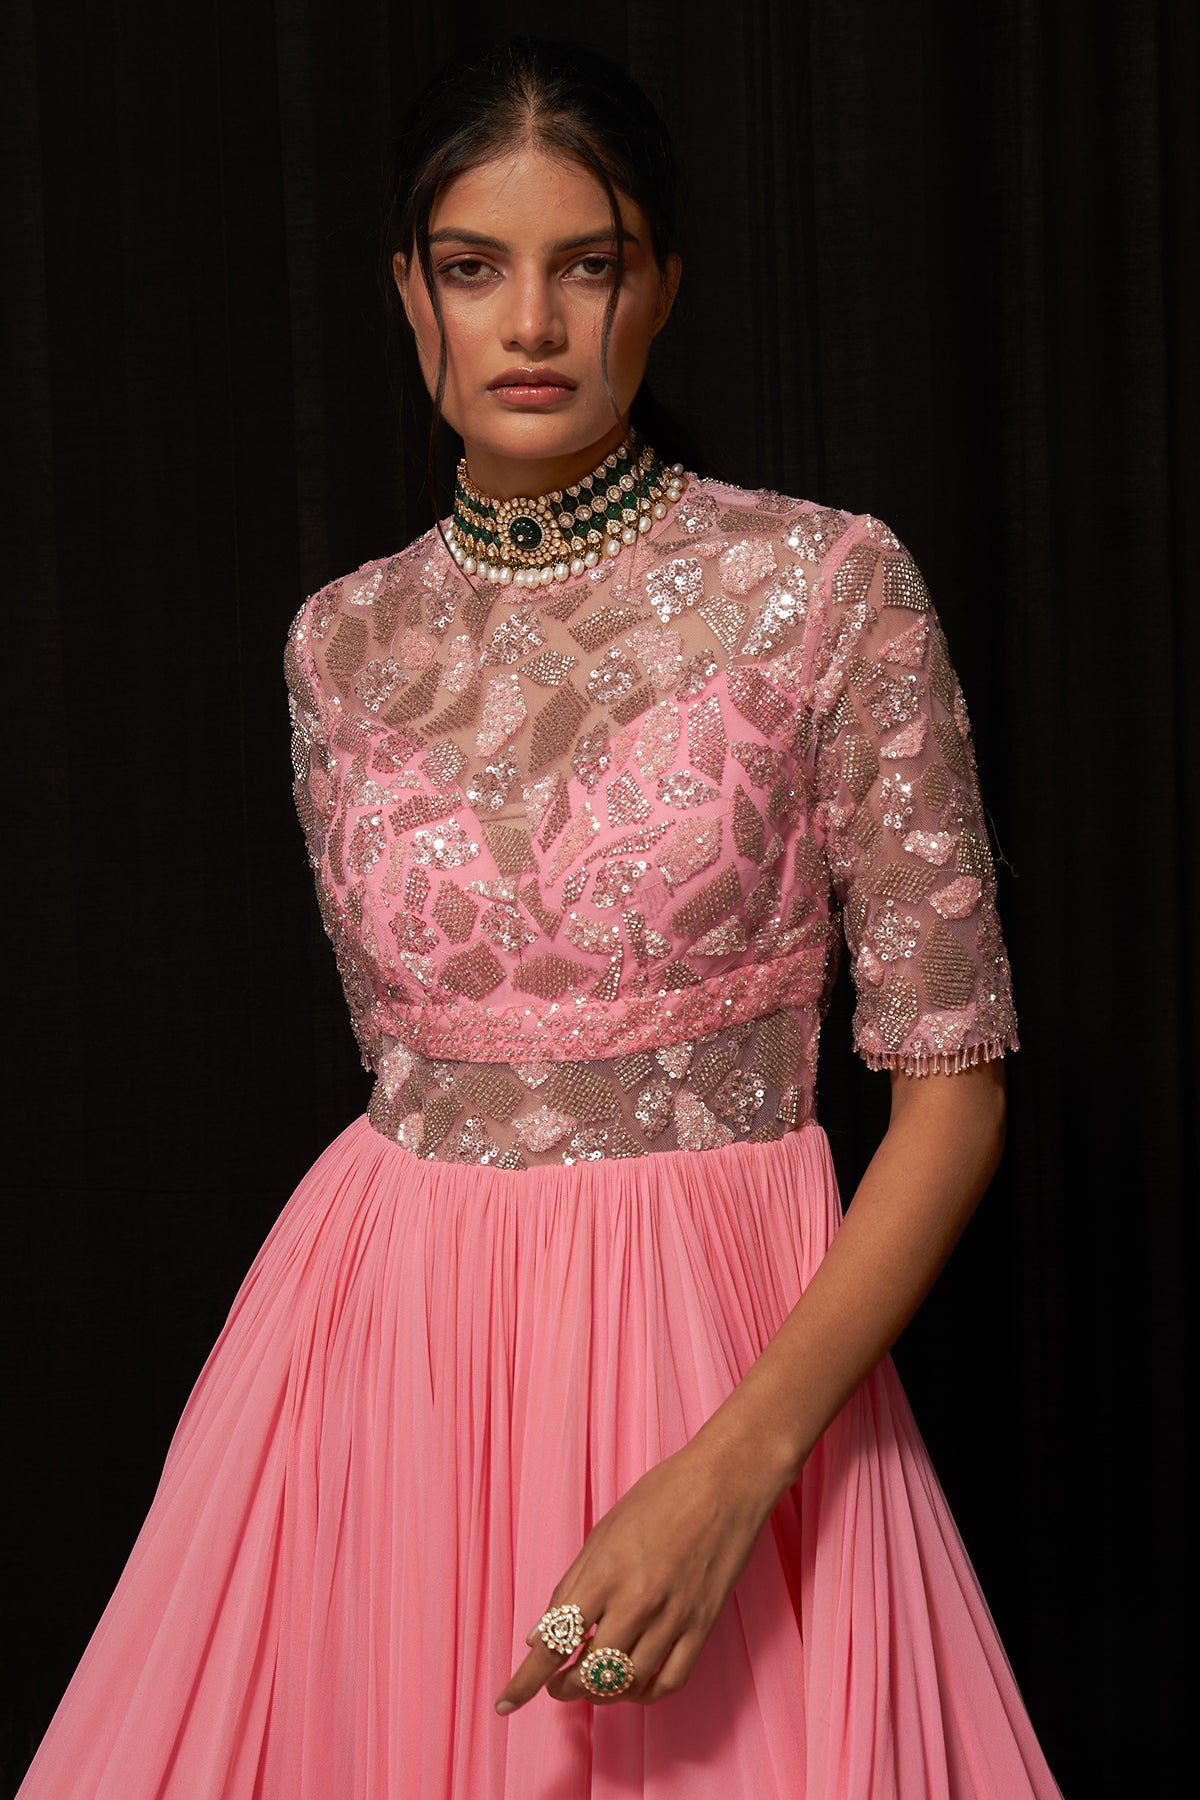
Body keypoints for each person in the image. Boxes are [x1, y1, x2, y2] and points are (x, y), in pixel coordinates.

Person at [16, 34, 1063, 1800]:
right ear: (406, 296)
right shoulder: (339, 643)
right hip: (378, 1371)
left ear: (663, 289)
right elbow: (412, 1070)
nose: (530, 324)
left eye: (587, 266)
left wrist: (730, 1474)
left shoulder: (828, 586)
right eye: (472, 268)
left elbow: (952, 1093)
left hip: (722, 1367)